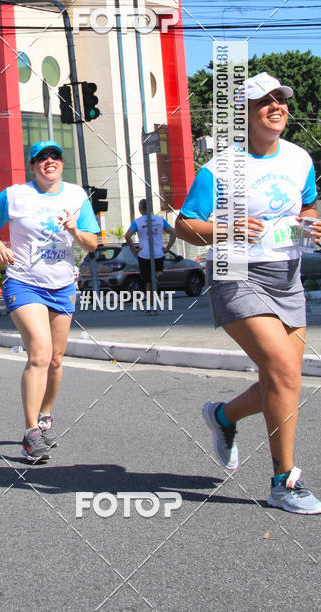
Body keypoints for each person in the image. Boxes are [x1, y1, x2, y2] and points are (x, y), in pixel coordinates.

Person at [175, 72, 321, 514]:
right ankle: (284, 481)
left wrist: (313, 221)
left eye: (281, 100)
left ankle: (223, 417)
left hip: (286, 275)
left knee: (285, 380)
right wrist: (228, 227)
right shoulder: (218, 168)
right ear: (245, 115)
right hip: (236, 273)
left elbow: (310, 203)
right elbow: (184, 226)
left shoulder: (300, 159)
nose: (277, 107)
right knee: (281, 369)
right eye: (265, 102)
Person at [0, 140, 100, 463]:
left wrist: (75, 231)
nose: (50, 161)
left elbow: (93, 243)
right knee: (40, 354)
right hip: (24, 283)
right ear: (33, 166)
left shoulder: (77, 196)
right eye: (42, 157)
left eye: (55, 156)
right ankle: (31, 432)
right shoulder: (16, 195)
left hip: (62, 285)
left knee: (57, 360)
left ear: (61, 163)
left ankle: (46, 416)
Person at [124, 198, 175, 308]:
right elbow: (173, 233)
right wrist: (167, 248)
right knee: (158, 272)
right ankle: (157, 275)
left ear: (140, 209)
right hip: (158, 252)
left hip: (144, 254)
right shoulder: (160, 220)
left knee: (147, 282)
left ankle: (151, 306)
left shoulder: (137, 222)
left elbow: (127, 236)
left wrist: (134, 250)